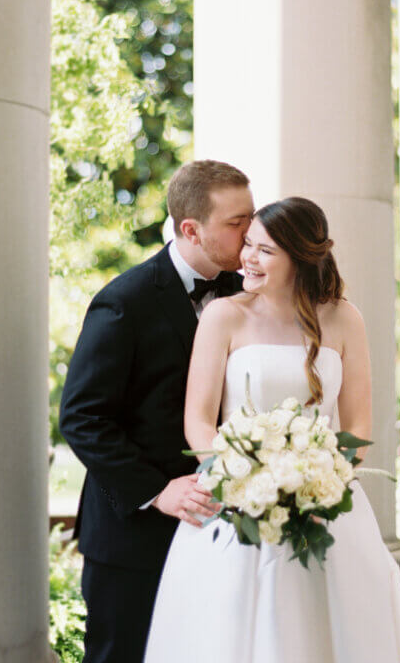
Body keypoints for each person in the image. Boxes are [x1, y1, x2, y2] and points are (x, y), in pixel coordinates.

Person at [144, 196, 400, 663]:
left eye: (265, 250)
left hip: (324, 502)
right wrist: (244, 476)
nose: (247, 258)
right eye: (248, 245)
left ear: (299, 257)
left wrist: (322, 481)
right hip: (234, 500)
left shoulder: (343, 318)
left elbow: (356, 425)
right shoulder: (224, 316)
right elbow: (198, 420)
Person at [58, 160, 255, 663]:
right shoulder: (124, 301)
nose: (251, 231)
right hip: (132, 537)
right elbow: (82, 417)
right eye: (237, 222)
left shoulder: (247, 296)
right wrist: (157, 490)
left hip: (219, 530)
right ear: (191, 229)